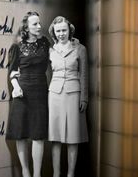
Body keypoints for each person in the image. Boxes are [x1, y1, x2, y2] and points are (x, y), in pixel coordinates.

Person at [6, 11, 50, 177]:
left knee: (38, 135)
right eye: (35, 24)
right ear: (26, 27)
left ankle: (37, 174)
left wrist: (72, 43)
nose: (39, 27)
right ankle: (25, 171)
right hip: (22, 92)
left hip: (40, 91)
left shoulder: (45, 42)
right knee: (21, 133)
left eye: (39, 23)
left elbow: (58, 54)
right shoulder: (17, 46)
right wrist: (16, 86)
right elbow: (12, 72)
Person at [48, 16, 88, 177]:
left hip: (73, 94)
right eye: (58, 31)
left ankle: (70, 174)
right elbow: (47, 74)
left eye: (64, 30)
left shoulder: (80, 49)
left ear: (70, 30)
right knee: (55, 136)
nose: (61, 34)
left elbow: (84, 74)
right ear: (54, 32)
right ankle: (56, 174)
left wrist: (84, 97)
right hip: (54, 95)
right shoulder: (50, 50)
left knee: (73, 136)